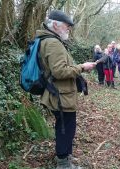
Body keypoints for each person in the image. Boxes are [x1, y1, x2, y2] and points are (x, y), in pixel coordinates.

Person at [38, 10, 96, 168]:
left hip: (61, 94)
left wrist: (79, 67)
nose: (68, 29)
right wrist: (82, 67)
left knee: (66, 127)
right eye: (66, 26)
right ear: (55, 25)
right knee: (65, 129)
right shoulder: (52, 43)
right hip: (60, 95)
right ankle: (63, 163)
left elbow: (59, 68)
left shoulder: (50, 40)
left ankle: (65, 158)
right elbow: (60, 71)